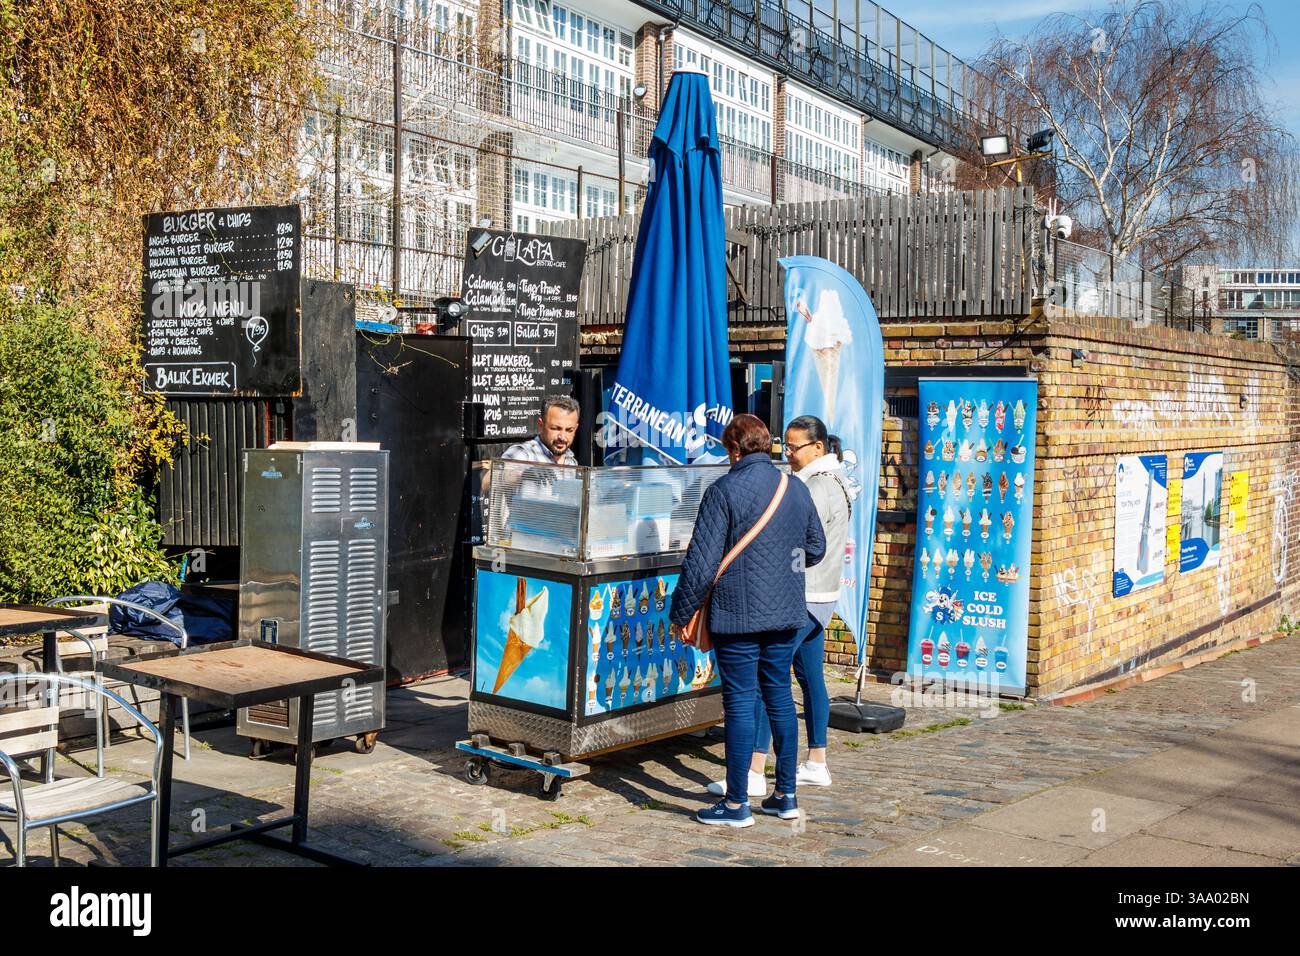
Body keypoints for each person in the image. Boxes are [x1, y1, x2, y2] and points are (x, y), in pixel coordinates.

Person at [669, 414, 826, 827]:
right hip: (789, 613)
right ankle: (786, 796)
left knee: (740, 702)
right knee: (779, 697)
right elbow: (816, 547)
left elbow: (700, 565)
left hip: (737, 615)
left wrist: (679, 613)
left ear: (734, 449)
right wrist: (781, 562)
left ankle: (737, 804)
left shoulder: (723, 490)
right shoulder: (794, 487)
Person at [706, 416, 849, 798]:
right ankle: (814, 762)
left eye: (795, 447)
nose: (788, 454)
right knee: (806, 678)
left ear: (818, 448)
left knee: (767, 686)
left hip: (797, 597)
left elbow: (798, 540)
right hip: (818, 596)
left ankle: (754, 769)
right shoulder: (835, 481)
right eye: (784, 446)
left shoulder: (812, 487)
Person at [503, 395, 581, 466]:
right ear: (541, 425)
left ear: (576, 428)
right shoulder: (523, 454)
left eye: (569, 430)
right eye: (555, 428)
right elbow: (501, 476)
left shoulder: (571, 462)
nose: (562, 437)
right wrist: (525, 474)